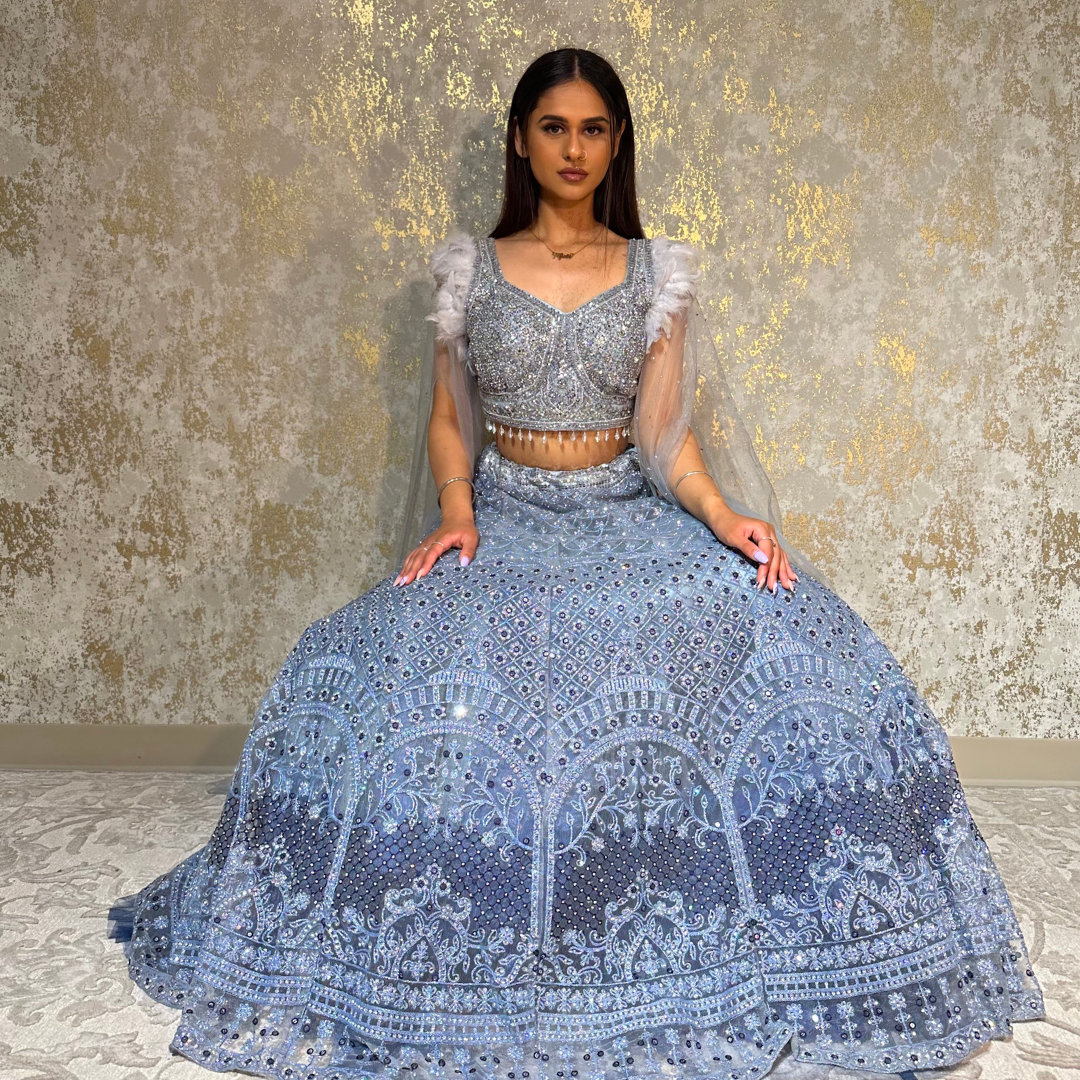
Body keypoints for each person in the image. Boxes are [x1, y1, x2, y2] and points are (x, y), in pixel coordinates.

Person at [107, 47, 1044, 1080]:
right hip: (506, 515)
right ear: (521, 139)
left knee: (772, 622)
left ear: (617, 142)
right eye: (554, 127)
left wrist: (724, 515)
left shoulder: (655, 272)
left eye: (594, 129)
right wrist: (457, 513)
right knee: (372, 654)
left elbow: (666, 435)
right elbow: (449, 419)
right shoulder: (470, 269)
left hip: (624, 510)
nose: (574, 148)